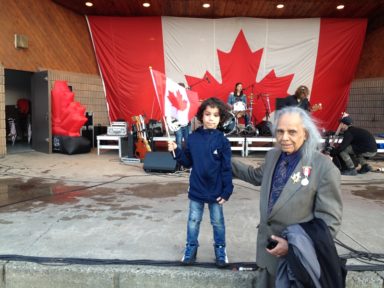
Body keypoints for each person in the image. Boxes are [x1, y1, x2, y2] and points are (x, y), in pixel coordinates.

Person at [231, 106, 343, 287]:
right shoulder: (273, 155)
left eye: (292, 132)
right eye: (280, 131)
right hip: (266, 256)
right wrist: (224, 159)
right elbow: (255, 176)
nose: (284, 138)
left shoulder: (324, 168)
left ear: (305, 134)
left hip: (297, 264)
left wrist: (292, 247)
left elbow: (328, 224)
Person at [168, 97, 233, 268]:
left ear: (221, 119)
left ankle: (220, 249)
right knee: (193, 221)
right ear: (201, 116)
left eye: (215, 115)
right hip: (196, 188)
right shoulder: (192, 138)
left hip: (217, 191)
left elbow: (226, 168)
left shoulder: (223, 141)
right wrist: (175, 151)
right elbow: (187, 162)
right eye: (207, 114)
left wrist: (227, 190)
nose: (211, 118)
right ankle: (191, 248)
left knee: (218, 222)